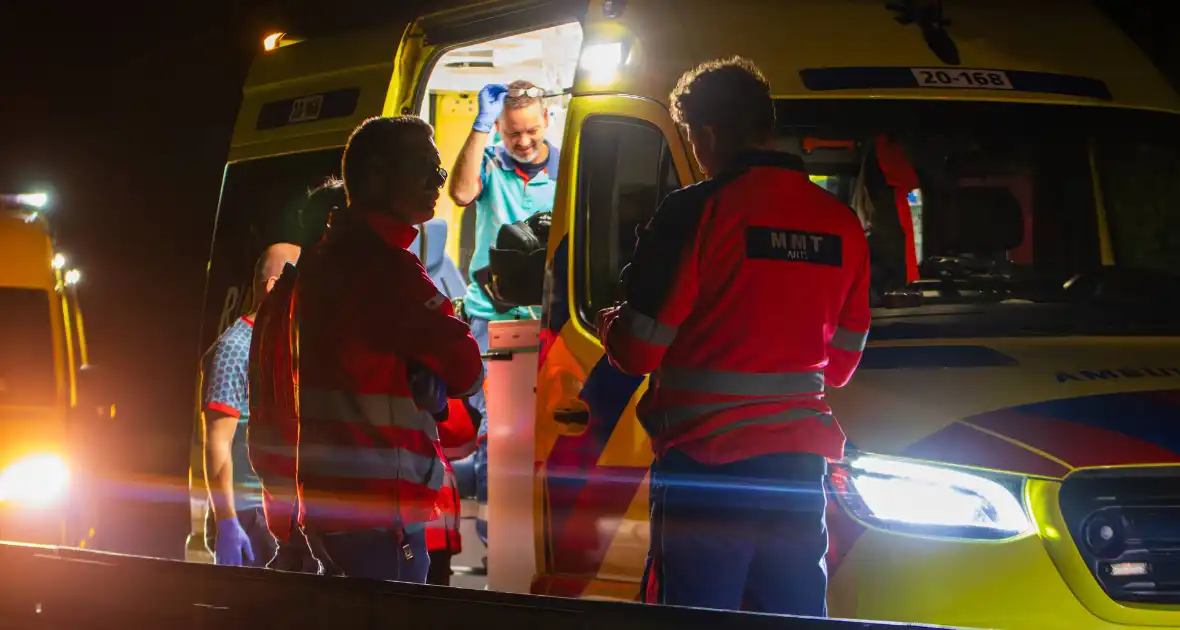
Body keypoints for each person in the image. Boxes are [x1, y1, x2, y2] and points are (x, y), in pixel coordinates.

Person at [596, 57, 871, 616]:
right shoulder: (838, 220)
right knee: (793, 613)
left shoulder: (695, 211)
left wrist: (611, 326)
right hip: (799, 468)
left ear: (707, 134)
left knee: (699, 612)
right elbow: (840, 365)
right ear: (766, 126)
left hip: (707, 462)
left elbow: (638, 350)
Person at [253, 115, 484, 583]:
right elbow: (467, 368)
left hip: (331, 504)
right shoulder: (384, 268)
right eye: (425, 166)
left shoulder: (324, 263)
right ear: (378, 175)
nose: (437, 179)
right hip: (380, 509)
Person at [448, 79, 560, 546]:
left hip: (551, 318)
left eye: (532, 130)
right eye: (513, 133)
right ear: (500, 128)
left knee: (545, 426)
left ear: (547, 121)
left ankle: (529, 536)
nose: (524, 141)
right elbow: (459, 193)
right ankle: (501, 540)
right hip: (492, 319)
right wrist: (478, 128)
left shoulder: (570, 164)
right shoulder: (491, 158)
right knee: (499, 427)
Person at [202, 242, 301, 567]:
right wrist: (227, 522)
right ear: (274, 286)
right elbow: (217, 443)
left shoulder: (280, 345)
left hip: (276, 512)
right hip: (248, 516)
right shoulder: (234, 349)